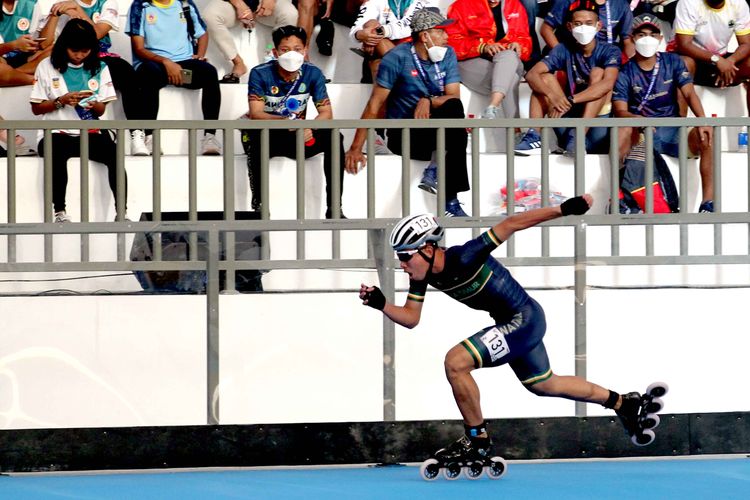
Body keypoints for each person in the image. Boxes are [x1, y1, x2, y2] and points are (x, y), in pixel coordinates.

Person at [358, 201, 656, 461]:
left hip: (523, 319)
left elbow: (511, 224)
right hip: (514, 323)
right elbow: (411, 318)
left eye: (406, 256)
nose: (402, 264)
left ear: (426, 248)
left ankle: (478, 441)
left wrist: (562, 210)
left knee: (455, 362)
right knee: (544, 385)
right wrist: (382, 303)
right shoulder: (421, 275)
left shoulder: (465, 256)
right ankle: (623, 402)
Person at [344, 7, 471, 218]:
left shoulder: (448, 54)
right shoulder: (397, 58)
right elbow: (374, 105)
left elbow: (453, 97)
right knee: (455, 126)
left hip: (434, 129)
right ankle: (446, 192)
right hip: (405, 134)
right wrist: (355, 148)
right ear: (425, 36)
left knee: (454, 108)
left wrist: (428, 101)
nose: (447, 36)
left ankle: (445, 190)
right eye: (441, 31)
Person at [240, 25, 346, 218]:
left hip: (299, 134)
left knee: (334, 136)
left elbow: (326, 113)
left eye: (297, 49)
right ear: (275, 52)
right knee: (255, 138)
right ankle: (260, 206)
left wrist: (308, 127)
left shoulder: (313, 73)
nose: (291, 54)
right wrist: (286, 123)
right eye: (285, 50)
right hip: (270, 134)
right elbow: (256, 113)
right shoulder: (260, 73)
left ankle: (334, 208)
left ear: (305, 51)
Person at [613, 14, 714, 213]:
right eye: (641, 34)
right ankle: (618, 197)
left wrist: (702, 121)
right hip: (644, 134)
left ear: (660, 39)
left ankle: (708, 202)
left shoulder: (673, 61)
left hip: (674, 130)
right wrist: (639, 120)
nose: (647, 39)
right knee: (622, 129)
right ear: (633, 38)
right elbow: (620, 110)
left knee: (708, 135)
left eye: (652, 34)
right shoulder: (625, 72)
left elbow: (689, 93)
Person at [29, 19, 127, 223]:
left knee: (114, 156)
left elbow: (101, 109)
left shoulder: (100, 67)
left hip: (90, 132)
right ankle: (60, 212)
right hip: (56, 132)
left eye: (85, 51)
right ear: (64, 45)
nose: (80, 55)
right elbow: (36, 108)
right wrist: (60, 101)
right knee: (56, 156)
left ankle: (122, 213)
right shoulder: (46, 66)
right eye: (75, 50)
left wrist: (93, 104)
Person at [33, 0, 151, 156]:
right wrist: (58, 13)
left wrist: (76, 9)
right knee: (48, 61)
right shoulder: (61, 5)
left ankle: (137, 133)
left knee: (126, 71)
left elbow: (96, 34)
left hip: (96, 56)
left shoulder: (106, 3)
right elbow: (43, 43)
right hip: (62, 58)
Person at [515, 2, 621, 156]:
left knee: (598, 73)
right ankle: (534, 136)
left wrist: (571, 99)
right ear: (570, 27)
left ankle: (579, 134)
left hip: (595, 126)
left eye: (588, 23)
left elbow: (607, 84)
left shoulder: (610, 50)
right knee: (544, 78)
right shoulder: (563, 48)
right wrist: (554, 97)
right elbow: (531, 74)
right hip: (567, 118)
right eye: (578, 24)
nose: (583, 27)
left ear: (598, 26)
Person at [126, 0, 223, 156]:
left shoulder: (185, 4)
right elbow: (139, 48)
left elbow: (203, 33)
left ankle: (209, 137)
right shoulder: (140, 5)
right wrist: (166, 62)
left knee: (209, 73)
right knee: (150, 74)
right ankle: (150, 138)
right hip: (155, 65)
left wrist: (199, 56)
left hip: (181, 71)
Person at [445, 0, 532, 121]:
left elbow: (525, 38)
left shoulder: (514, 4)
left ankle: (493, 105)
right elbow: (452, 43)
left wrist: (519, 45)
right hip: (471, 62)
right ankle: (515, 132)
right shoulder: (460, 6)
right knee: (510, 78)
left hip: (508, 60)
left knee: (509, 56)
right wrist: (482, 47)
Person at [672, 0, 750, 115]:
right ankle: (679, 129)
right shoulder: (688, 2)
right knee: (684, 64)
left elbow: (746, 44)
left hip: (722, 60)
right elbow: (684, 45)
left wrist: (730, 61)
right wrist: (717, 60)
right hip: (693, 58)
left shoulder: (739, 3)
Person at [202, 0, 298, 82]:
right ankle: (238, 63)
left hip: (263, 5)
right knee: (209, 16)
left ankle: (272, 56)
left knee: (290, 14)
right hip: (232, 4)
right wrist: (238, 3)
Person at [541, 0, 634, 59]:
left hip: (603, 56)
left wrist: (631, 64)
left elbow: (627, 40)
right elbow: (546, 29)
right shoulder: (567, 1)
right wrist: (560, 53)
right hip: (570, 52)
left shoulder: (621, 4)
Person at [0, 0, 49, 86]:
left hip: (26, 60)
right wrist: (14, 45)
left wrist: (32, 45)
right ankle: (35, 81)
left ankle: (14, 74)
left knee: (59, 49)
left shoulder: (32, 4)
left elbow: (44, 44)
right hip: (2, 60)